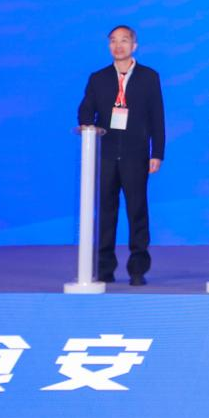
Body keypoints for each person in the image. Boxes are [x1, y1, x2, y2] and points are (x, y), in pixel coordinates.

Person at [76, 25, 165, 286]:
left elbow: (157, 117)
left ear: (134, 46)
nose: (118, 46)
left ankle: (138, 268)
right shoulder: (98, 78)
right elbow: (85, 110)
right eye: (113, 41)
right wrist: (86, 126)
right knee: (106, 212)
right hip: (104, 154)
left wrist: (157, 152)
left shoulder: (149, 77)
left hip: (136, 154)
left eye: (124, 41)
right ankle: (104, 268)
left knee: (137, 211)